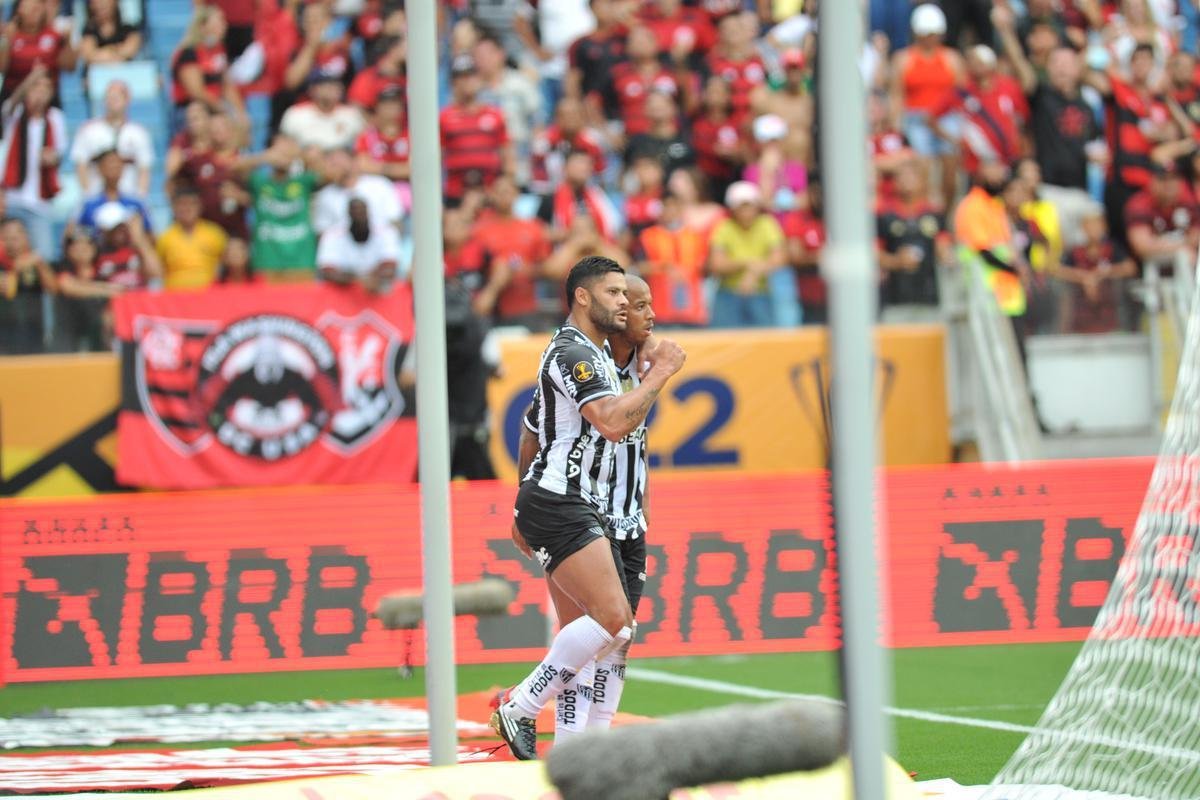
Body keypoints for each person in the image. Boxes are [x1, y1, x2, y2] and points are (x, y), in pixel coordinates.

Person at [492, 256, 686, 761]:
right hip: (563, 499)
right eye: (620, 296)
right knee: (612, 622)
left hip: (615, 513)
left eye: (635, 299)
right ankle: (521, 704)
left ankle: (581, 753)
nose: (632, 306)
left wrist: (645, 356)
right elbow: (612, 423)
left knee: (610, 639)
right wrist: (660, 372)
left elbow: (534, 424)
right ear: (583, 296)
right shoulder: (574, 353)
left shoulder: (608, 358)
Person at [513, 273, 656, 745]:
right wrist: (522, 501)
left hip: (626, 515)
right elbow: (534, 426)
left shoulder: (634, 361)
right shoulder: (584, 362)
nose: (644, 314)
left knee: (617, 638)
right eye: (633, 304)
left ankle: (590, 747)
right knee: (597, 626)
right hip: (572, 505)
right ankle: (525, 709)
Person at [889, 3, 965, 207]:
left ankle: (946, 211)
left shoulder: (951, 58)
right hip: (916, 117)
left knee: (951, 166)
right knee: (922, 164)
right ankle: (925, 210)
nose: (930, 39)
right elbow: (897, 95)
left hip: (945, 118)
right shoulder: (904, 59)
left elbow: (961, 96)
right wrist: (896, 127)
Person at [0, 67, 65, 259]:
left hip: (39, 200)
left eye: (46, 88)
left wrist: (51, 157)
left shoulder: (54, 118)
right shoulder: (15, 114)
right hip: (10, 197)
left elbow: (59, 153)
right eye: (36, 88)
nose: (41, 93)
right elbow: (10, 104)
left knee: (43, 255)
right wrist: (31, 78)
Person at [473, 173, 553, 328]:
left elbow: (548, 268)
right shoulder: (479, 230)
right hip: (493, 310)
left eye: (508, 191)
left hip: (526, 307)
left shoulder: (533, 227)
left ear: (517, 194)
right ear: (491, 195)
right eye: (499, 192)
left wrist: (526, 270)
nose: (504, 196)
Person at [876, 158, 951, 321]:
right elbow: (875, 253)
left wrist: (946, 255)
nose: (906, 181)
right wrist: (895, 261)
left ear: (922, 181)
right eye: (901, 177)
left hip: (928, 296)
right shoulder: (884, 214)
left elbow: (943, 246)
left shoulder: (934, 213)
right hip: (895, 298)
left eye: (911, 176)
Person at [238, 134, 319, 282]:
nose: (282, 155)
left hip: (301, 263)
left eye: (287, 150)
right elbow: (231, 169)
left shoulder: (303, 181)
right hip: (267, 263)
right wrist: (263, 158)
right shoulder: (259, 182)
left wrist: (300, 155)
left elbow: (331, 174)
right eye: (278, 150)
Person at [708, 180, 787, 328]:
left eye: (749, 205)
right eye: (741, 206)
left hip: (760, 292)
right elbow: (716, 264)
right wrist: (749, 264)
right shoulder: (724, 227)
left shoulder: (767, 223)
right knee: (724, 341)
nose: (746, 211)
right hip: (729, 293)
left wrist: (753, 272)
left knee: (765, 341)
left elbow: (780, 258)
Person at [440, 54, 513, 208]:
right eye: (461, 77)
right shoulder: (445, 117)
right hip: (456, 193)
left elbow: (507, 155)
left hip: (490, 192)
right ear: (453, 83)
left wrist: (507, 183)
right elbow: (438, 158)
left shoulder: (495, 115)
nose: (467, 81)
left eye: (471, 75)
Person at [635, 191, 709, 326]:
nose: (671, 211)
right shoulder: (648, 236)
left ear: (681, 209)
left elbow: (707, 268)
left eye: (675, 206)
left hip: (693, 312)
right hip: (661, 312)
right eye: (667, 207)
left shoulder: (696, 236)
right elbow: (639, 267)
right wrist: (662, 267)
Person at [70, 80, 154, 198]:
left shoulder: (139, 133)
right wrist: (87, 195)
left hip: (128, 196)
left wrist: (140, 197)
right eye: (109, 98)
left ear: (127, 100)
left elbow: (144, 168)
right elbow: (80, 165)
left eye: (117, 98)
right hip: (96, 196)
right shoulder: (88, 130)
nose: (112, 102)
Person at [1060, 208, 1137, 334]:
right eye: (1089, 226)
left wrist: (1103, 273)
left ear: (1104, 227)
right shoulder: (1075, 252)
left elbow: (1130, 268)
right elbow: (1058, 270)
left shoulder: (1112, 249)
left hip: (1110, 311)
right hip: (1080, 314)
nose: (1093, 230)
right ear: (1083, 228)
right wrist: (1083, 277)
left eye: (1097, 225)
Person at [170, 4, 244, 119]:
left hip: (216, 109)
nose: (224, 26)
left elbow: (227, 85)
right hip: (191, 110)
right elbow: (196, 91)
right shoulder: (188, 53)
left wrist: (240, 113)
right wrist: (222, 109)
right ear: (203, 27)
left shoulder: (219, 51)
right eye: (218, 23)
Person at [311, 146, 402, 236]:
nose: (334, 165)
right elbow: (322, 232)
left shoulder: (380, 184)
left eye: (338, 161)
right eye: (331, 163)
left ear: (353, 161)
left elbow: (395, 222)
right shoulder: (326, 196)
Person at [316, 197, 400, 293]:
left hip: (377, 293)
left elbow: (390, 268)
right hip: (343, 295)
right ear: (348, 215)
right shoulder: (332, 235)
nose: (359, 216)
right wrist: (359, 280)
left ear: (368, 213)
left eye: (362, 212)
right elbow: (327, 272)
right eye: (355, 213)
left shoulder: (386, 232)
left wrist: (369, 279)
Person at [0, 0, 76, 105]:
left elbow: (70, 67)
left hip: (47, 100)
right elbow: (2, 69)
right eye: (31, 9)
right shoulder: (11, 35)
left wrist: (67, 42)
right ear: (20, 10)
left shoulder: (54, 34)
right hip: (13, 97)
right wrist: (6, 42)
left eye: (37, 9)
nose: (35, 13)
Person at [539, 149, 623, 244]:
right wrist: (571, 234)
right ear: (565, 168)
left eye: (588, 164)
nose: (584, 168)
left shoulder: (597, 196)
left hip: (596, 248)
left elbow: (615, 228)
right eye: (579, 163)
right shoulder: (551, 199)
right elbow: (540, 232)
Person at [0, 215, 55, 353]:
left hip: (33, 332)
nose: (12, 242)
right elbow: (8, 290)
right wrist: (16, 267)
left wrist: (40, 264)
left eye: (16, 237)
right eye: (6, 238)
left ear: (26, 237)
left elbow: (53, 288)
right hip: (4, 336)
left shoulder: (36, 262)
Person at [156, 186, 229, 291]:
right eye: (182, 204)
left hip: (208, 297)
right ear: (174, 207)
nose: (187, 208)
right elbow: (158, 272)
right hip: (175, 298)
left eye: (192, 203)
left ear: (200, 206)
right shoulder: (165, 237)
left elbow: (227, 266)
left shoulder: (215, 233)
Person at [280, 69, 366, 153]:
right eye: (325, 85)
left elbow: (362, 146)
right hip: (304, 160)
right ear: (312, 90)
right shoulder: (296, 113)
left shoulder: (352, 115)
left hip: (342, 160)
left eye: (335, 85)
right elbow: (284, 144)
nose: (331, 89)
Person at [76, 148, 153, 237]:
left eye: (117, 164)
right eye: (109, 163)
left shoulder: (136, 203)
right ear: (99, 168)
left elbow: (150, 235)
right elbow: (76, 235)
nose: (113, 167)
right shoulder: (88, 204)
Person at [78, 0, 141, 70]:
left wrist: (103, 53)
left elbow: (130, 50)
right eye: (97, 2)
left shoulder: (129, 29)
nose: (101, 5)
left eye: (105, 2)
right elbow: (89, 56)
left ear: (115, 2)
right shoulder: (89, 31)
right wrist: (117, 50)